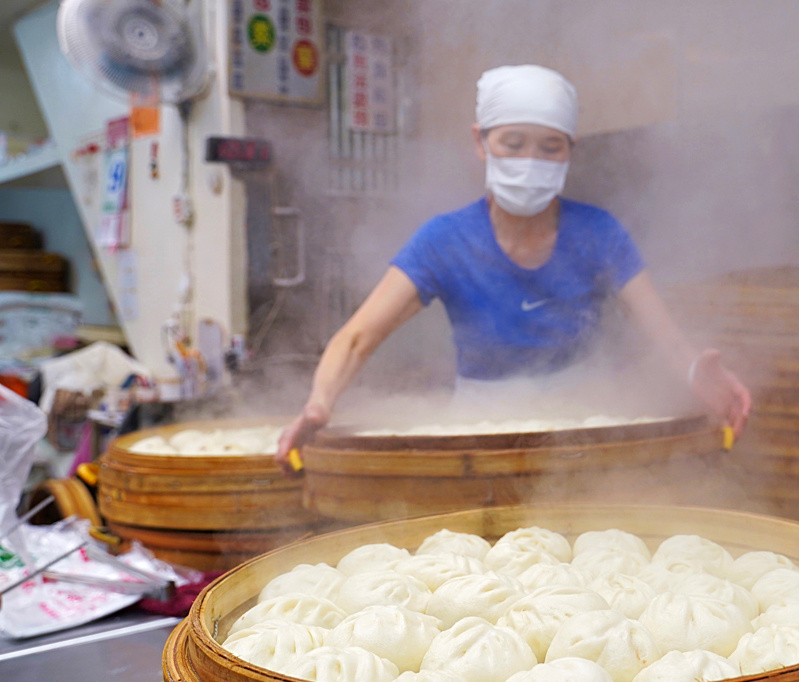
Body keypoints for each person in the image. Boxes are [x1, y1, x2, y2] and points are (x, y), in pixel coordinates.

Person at [276, 64, 750, 468]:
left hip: (583, 429)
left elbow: (663, 335)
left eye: (550, 147)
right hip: (477, 436)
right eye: (513, 143)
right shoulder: (445, 240)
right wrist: (319, 403)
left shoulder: (599, 233)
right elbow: (357, 337)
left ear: (570, 150)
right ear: (480, 142)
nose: (530, 161)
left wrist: (696, 371)